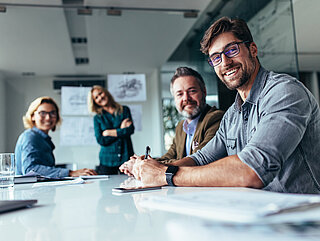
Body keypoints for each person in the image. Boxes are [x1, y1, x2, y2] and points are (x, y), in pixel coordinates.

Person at [130, 17, 320, 194]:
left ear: (253, 49)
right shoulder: (232, 115)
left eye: (232, 50)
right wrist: (153, 171)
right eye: (216, 58)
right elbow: (201, 159)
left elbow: (252, 170)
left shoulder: (284, 92)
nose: (226, 62)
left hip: (303, 220)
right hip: (257, 214)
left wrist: (166, 175)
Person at [119, 67, 224, 175]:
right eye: (179, 94)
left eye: (192, 91)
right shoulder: (181, 127)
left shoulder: (215, 119)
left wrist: (146, 166)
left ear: (204, 91)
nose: (186, 98)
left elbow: (198, 160)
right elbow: (169, 156)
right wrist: (142, 162)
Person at [15, 96, 97, 178]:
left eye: (52, 113)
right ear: (33, 116)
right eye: (42, 113)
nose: (48, 118)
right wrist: (70, 173)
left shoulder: (43, 139)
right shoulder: (30, 137)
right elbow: (30, 170)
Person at [88, 85, 134, 175]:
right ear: (95, 102)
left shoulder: (124, 110)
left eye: (100, 93)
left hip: (126, 157)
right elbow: (101, 140)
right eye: (96, 97)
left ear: (106, 92)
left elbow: (130, 130)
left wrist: (109, 132)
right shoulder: (98, 117)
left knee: (130, 185)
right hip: (107, 160)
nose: (100, 97)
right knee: (106, 188)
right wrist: (121, 129)